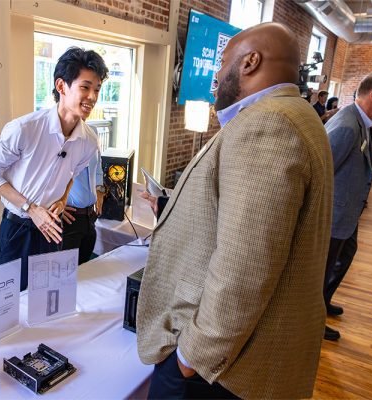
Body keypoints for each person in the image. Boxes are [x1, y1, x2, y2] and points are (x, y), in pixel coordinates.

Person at [136, 23, 333, 399]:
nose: (215, 75)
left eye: (222, 63)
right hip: (246, 357)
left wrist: (191, 357)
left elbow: (245, 268)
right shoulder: (299, 115)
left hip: (223, 370)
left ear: (249, 62)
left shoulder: (268, 123)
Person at [0, 47, 108, 290]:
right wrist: (31, 208)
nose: (92, 96)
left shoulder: (89, 141)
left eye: (97, 89)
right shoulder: (24, 129)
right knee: (8, 303)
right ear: (61, 86)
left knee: (48, 301)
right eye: (85, 87)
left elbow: (73, 174)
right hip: (18, 227)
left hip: (52, 229)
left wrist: (62, 198)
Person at [323, 72, 372, 340]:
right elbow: (322, 172)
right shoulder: (347, 125)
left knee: (346, 255)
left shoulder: (361, 121)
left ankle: (323, 302)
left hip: (348, 212)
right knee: (324, 267)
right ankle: (313, 318)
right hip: (334, 214)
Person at [61, 127, 105, 265]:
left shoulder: (92, 132)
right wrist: (50, 206)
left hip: (89, 217)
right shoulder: (58, 135)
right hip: (68, 219)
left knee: (85, 270)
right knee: (65, 275)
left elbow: (98, 168)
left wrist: (99, 190)